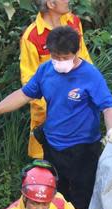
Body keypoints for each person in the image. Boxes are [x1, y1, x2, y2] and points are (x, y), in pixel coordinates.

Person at [0, 26, 112, 209]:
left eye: (64, 58)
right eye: (55, 56)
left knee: (83, 198)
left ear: (76, 52)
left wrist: (111, 129)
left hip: (84, 150)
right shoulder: (46, 70)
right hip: (53, 147)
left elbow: (108, 107)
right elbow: (24, 95)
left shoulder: (90, 75)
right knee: (54, 198)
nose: (59, 62)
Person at [20, 0, 92, 159]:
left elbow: (84, 58)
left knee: (79, 162)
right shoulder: (32, 37)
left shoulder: (73, 21)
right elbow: (29, 81)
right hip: (48, 114)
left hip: (78, 105)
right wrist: (56, 107)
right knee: (46, 166)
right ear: (51, 4)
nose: (68, 1)